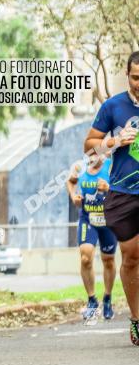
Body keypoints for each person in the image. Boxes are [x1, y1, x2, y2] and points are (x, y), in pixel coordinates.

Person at [83, 50, 139, 345]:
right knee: (131, 257)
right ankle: (136, 319)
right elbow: (89, 147)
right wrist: (115, 141)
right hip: (124, 194)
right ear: (128, 75)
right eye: (135, 77)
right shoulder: (113, 106)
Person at [66, 153, 116, 320]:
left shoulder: (111, 165)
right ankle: (92, 300)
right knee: (86, 258)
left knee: (108, 260)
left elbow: (124, 188)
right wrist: (74, 196)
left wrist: (108, 188)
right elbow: (70, 181)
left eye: (98, 151)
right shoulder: (79, 167)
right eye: (91, 152)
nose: (95, 155)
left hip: (108, 219)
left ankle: (107, 298)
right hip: (88, 219)